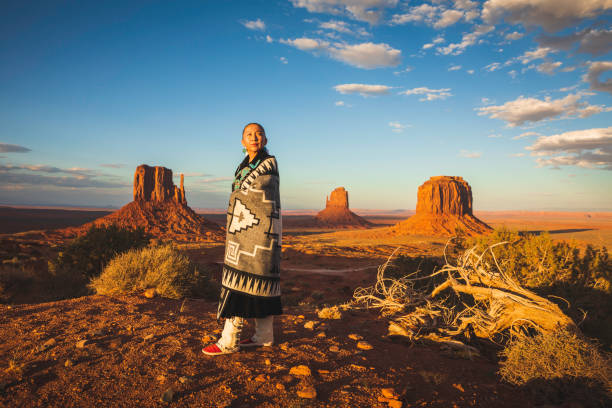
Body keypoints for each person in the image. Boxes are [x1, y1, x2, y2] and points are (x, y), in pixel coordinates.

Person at [202, 122, 283, 355]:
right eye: (249, 134)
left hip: (258, 235)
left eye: (259, 134)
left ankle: (229, 340)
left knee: (239, 284)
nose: (254, 137)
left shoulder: (268, 164)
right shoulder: (242, 167)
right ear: (242, 142)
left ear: (265, 140)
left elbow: (261, 194)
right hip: (247, 235)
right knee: (259, 283)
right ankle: (264, 336)